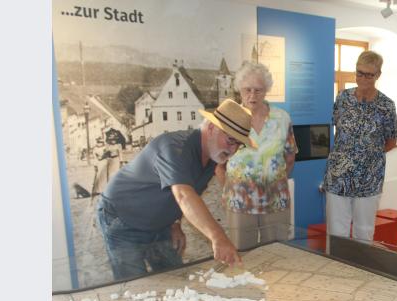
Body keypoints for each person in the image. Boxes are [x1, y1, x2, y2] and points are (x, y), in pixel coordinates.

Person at [97, 98, 250, 280]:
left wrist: (175, 223)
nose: (232, 150)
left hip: (159, 225)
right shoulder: (173, 147)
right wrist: (218, 237)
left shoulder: (212, 157)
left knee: (175, 279)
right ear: (211, 128)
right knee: (134, 289)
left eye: (239, 145)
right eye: (231, 140)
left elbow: (187, 194)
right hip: (123, 218)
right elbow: (183, 195)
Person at [222, 61, 298, 249]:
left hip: (275, 201)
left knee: (277, 254)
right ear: (239, 89)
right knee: (241, 255)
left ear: (266, 90)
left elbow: (289, 157)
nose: (252, 95)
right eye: (247, 89)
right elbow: (217, 164)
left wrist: (271, 182)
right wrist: (231, 188)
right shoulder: (227, 118)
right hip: (240, 201)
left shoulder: (282, 118)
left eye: (258, 90)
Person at [324, 50, 397, 242]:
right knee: (336, 232)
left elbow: (391, 141)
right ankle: (337, 270)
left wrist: (368, 155)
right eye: (359, 73)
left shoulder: (387, 105)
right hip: (339, 176)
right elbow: (337, 129)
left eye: (369, 74)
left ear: (378, 75)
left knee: (363, 233)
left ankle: (359, 272)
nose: (363, 78)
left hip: (369, 178)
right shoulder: (342, 98)